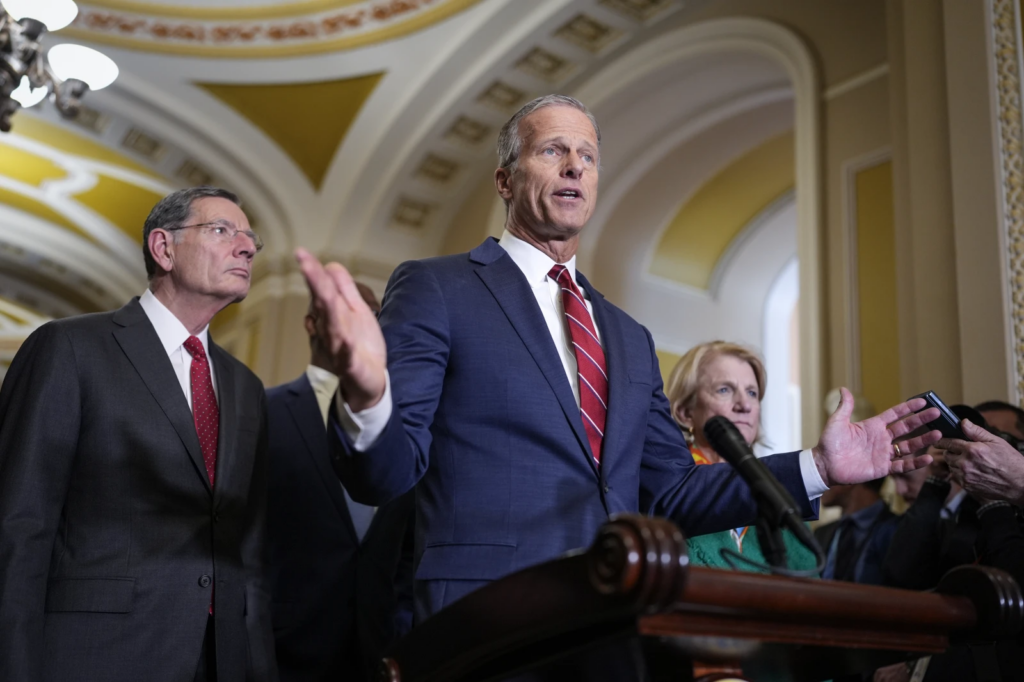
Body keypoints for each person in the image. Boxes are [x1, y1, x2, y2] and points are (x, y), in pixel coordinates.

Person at [295, 94, 941, 623]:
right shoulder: (439, 287)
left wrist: (819, 466)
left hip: (612, 615)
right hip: (485, 614)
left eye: (588, 157)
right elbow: (385, 473)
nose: (574, 168)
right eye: (553, 151)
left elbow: (676, 491)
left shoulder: (627, 336)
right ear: (505, 180)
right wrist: (367, 394)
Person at [0, 187, 276, 682]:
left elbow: (248, 552)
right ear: (164, 248)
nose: (246, 248)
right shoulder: (70, 348)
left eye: (250, 238)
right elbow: (19, 526)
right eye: (222, 230)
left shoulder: (246, 387)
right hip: (97, 656)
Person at [266, 287, 414, 682]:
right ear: (311, 323)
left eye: (372, 314)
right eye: (345, 310)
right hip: (283, 651)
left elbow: (409, 543)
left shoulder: (405, 427)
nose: (362, 322)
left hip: (382, 654)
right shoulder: (263, 411)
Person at [664, 341, 816, 572]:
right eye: (724, 390)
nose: (745, 405)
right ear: (686, 412)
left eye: (752, 393)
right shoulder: (667, 489)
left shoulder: (780, 495)